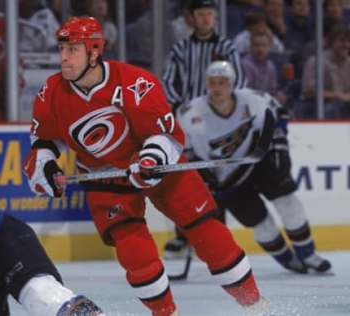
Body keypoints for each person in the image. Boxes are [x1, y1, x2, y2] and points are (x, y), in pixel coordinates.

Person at [23, 16, 270, 316]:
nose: (64, 57)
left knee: (209, 234)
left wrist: (150, 160)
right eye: (62, 48)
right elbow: (45, 142)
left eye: (73, 49)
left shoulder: (134, 83)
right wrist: (45, 167)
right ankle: (165, 314)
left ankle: (256, 307)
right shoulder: (51, 92)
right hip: (104, 175)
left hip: (160, 166)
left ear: (94, 51)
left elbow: (165, 135)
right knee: (134, 252)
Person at [176, 60, 332, 275]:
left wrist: (279, 149)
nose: (218, 87)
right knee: (261, 224)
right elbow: (184, 151)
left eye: (223, 82)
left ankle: (308, 255)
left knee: (288, 204)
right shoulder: (189, 113)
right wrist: (200, 176)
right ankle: (289, 261)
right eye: (213, 82)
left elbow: (280, 118)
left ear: (232, 83)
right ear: (206, 84)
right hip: (226, 179)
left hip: (259, 162)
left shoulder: (253, 100)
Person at [162, 0, 246, 259]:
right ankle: (183, 234)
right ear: (192, 17)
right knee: (185, 178)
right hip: (189, 122)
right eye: (201, 14)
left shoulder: (226, 47)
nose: (206, 18)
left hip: (218, 121)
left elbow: (239, 79)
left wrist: (225, 107)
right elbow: (168, 82)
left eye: (210, 14)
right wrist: (183, 108)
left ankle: (215, 234)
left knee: (218, 179)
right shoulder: (181, 48)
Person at [300, 26, 350, 118]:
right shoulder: (316, 62)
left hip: (343, 106)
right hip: (315, 107)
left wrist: (343, 97)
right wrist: (337, 95)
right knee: (332, 108)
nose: (346, 45)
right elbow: (308, 92)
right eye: (342, 41)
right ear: (331, 43)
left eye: (348, 41)